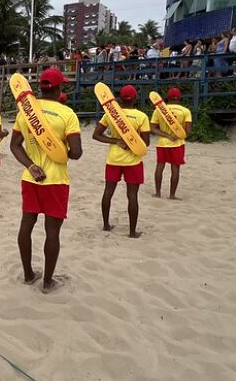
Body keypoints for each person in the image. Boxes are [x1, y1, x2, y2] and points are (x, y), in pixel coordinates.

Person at [10, 68, 82, 292]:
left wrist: (31, 165)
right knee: (52, 232)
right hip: (56, 180)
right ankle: (48, 282)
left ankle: (28, 274)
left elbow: (14, 145)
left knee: (26, 226)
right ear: (60, 87)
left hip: (31, 178)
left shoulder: (25, 112)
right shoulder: (67, 114)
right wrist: (63, 152)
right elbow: (77, 152)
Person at [92, 85, 150, 238]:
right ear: (135, 98)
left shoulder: (111, 114)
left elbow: (96, 135)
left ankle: (106, 225)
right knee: (132, 196)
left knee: (108, 192)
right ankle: (132, 232)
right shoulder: (141, 116)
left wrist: (115, 140)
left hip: (113, 159)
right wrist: (132, 143)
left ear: (120, 98)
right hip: (133, 162)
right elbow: (146, 143)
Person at [150, 88, 192, 200]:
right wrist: (176, 135)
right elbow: (187, 132)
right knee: (175, 169)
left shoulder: (159, 110)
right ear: (179, 98)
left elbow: (153, 128)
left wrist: (166, 135)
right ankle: (172, 195)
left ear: (167, 98)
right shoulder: (185, 111)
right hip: (177, 144)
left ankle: (158, 193)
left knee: (160, 167)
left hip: (162, 143)